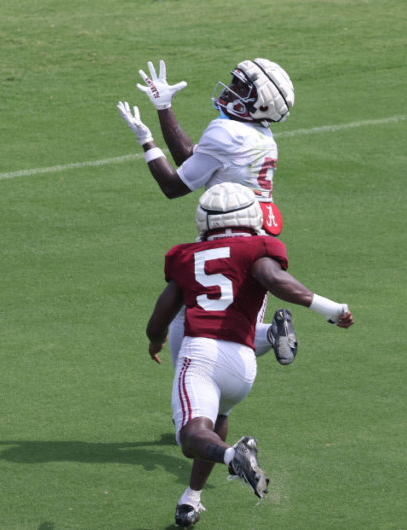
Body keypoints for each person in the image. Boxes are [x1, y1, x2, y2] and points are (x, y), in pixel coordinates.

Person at [145, 183, 354, 527]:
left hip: (202, 355)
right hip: (243, 364)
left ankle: (232, 454)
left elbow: (159, 319)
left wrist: (155, 341)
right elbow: (275, 279)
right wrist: (332, 310)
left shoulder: (186, 256)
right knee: (216, 418)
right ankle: (192, 498)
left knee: (190, 436)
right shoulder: (259, 246)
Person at [118, 58, 298, 365]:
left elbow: (174, 186)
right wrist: (164, 107)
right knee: (207, 320)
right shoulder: (260, 137)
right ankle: (265, 336)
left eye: (242, 88)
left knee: (205, 325)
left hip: (231, 240)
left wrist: (145, 140)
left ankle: (264, 337)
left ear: (261, 104)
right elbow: (192, 157)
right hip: (256, 238)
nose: (231, 89)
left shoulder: (229, 132)